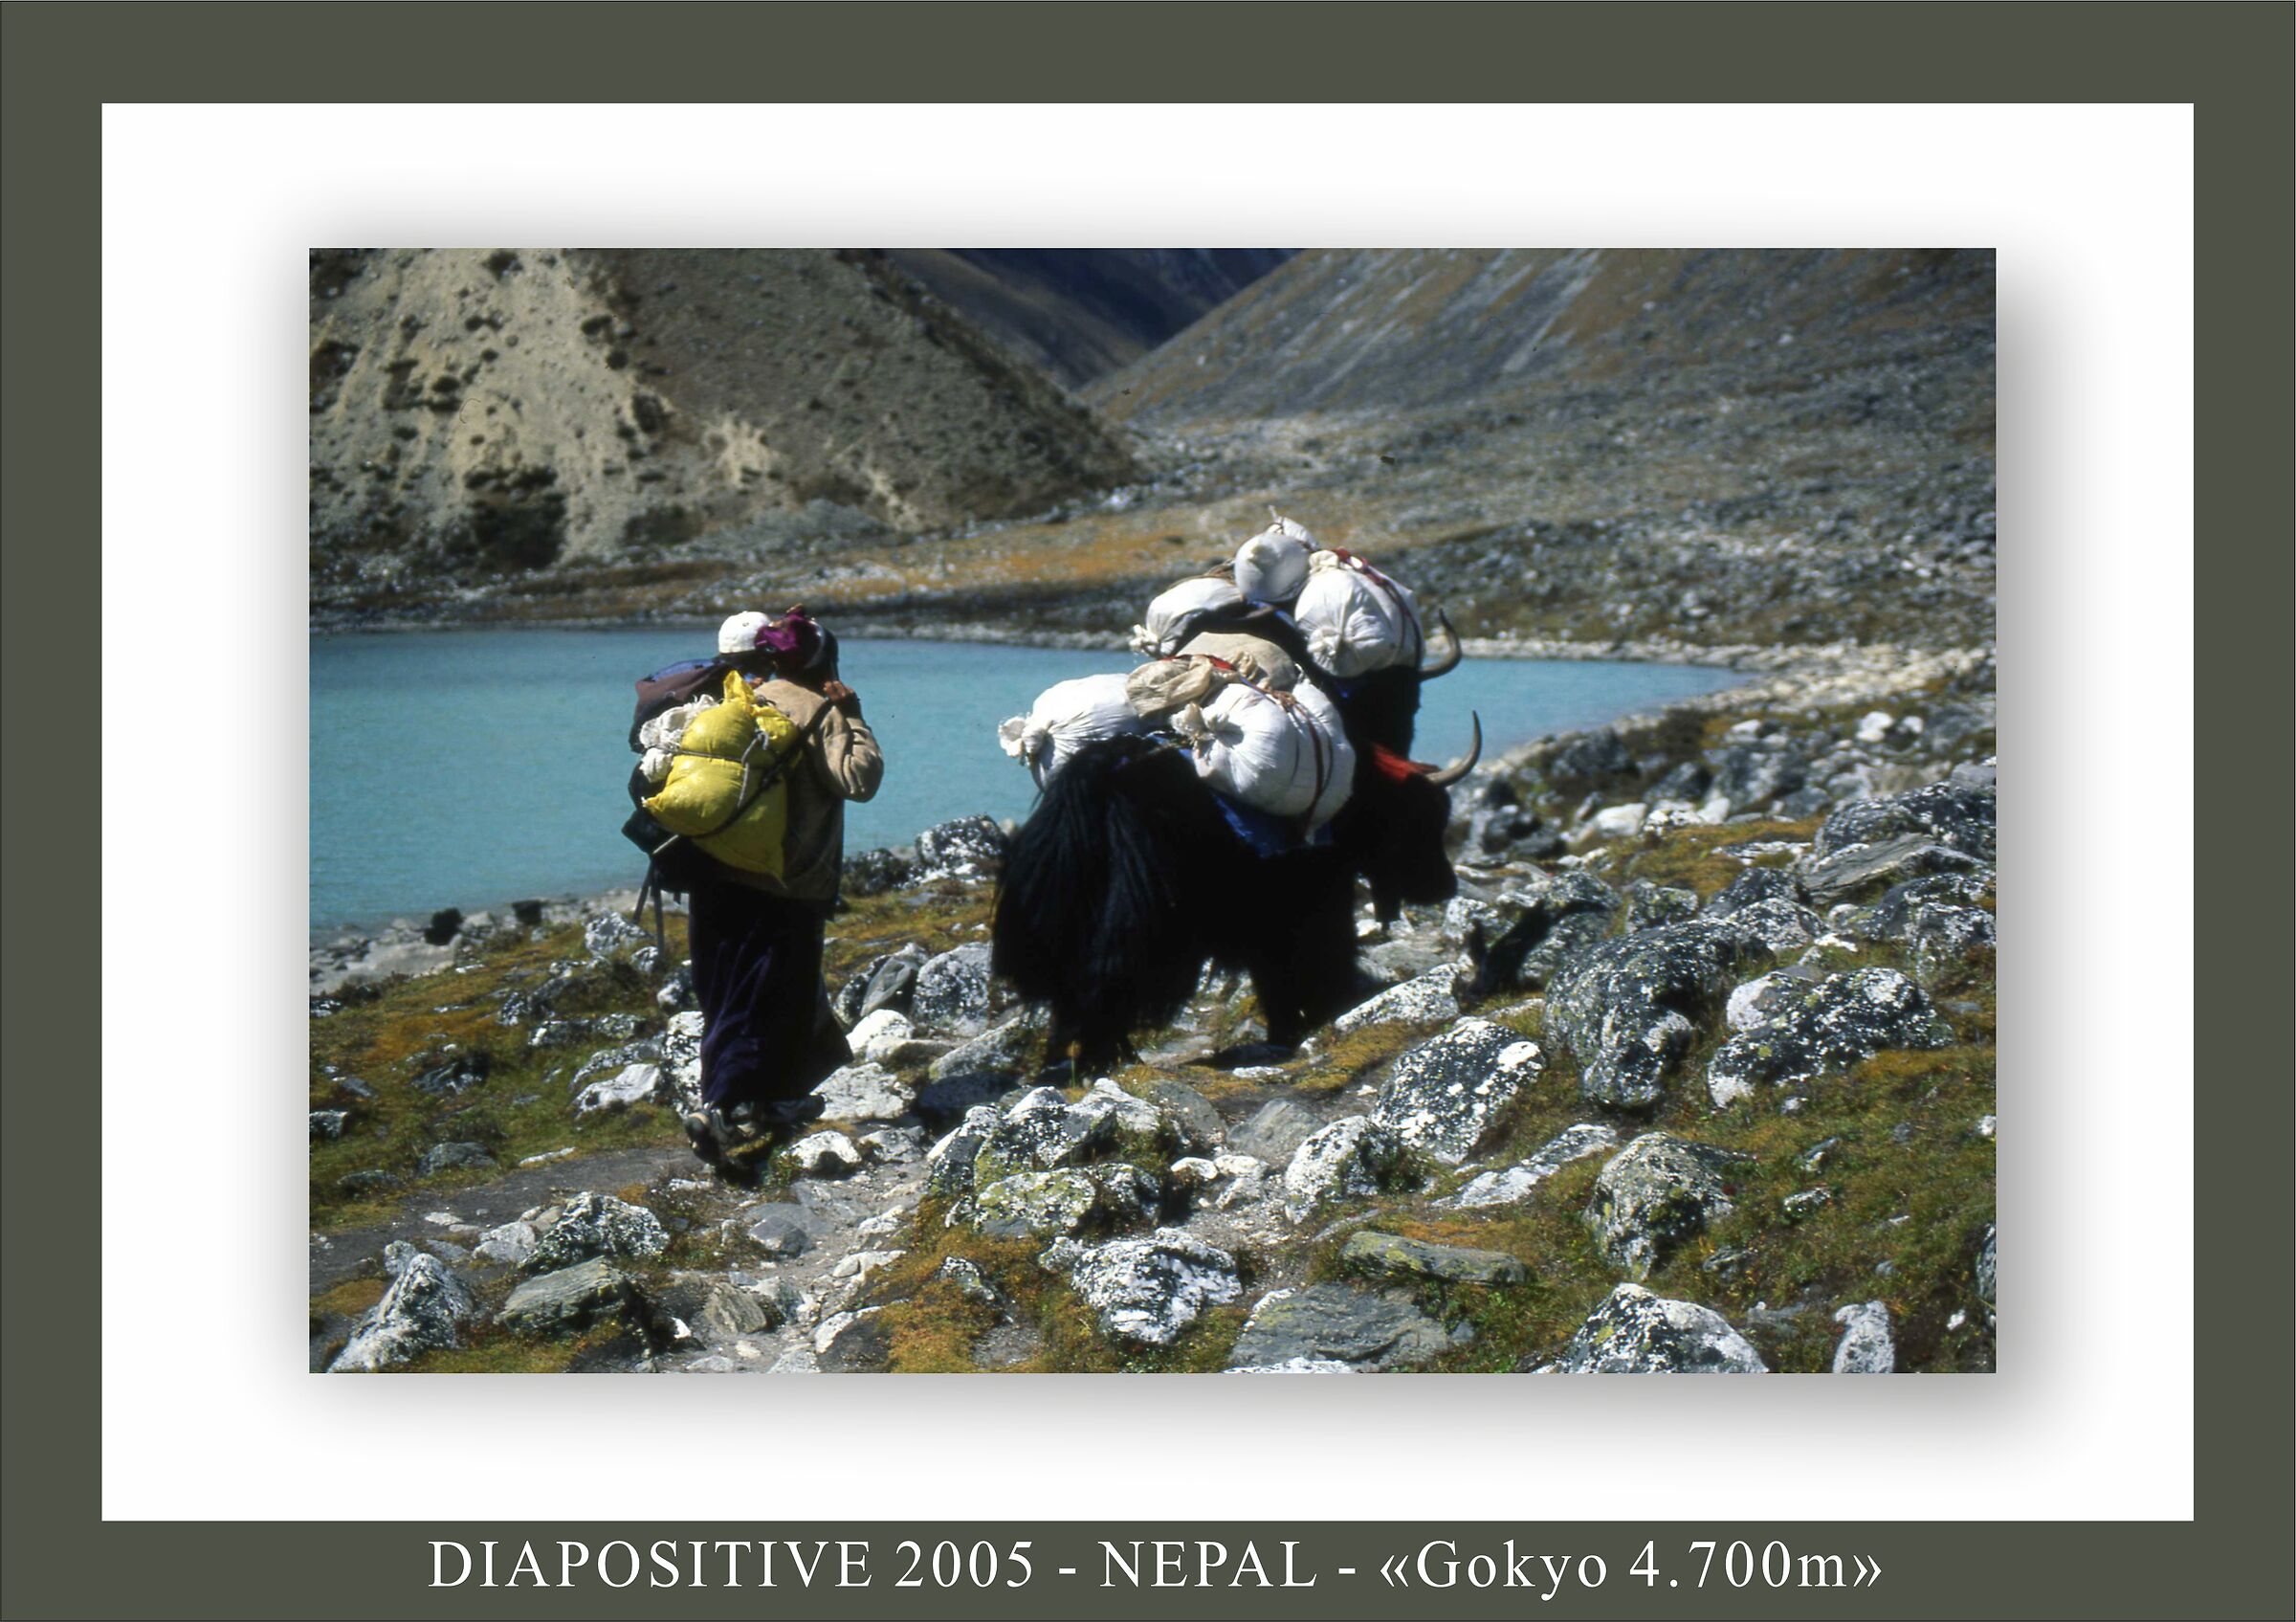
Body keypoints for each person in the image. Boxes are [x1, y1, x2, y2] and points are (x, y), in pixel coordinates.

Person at [674, 607, 883, 1174]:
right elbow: (858, 781)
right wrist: (854, 718)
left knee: (729, 993)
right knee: (771, 995)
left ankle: (771, 1100)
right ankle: (720, 1109)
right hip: (785, 880)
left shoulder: (726, 702)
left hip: (714, 872)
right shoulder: (816, 707)